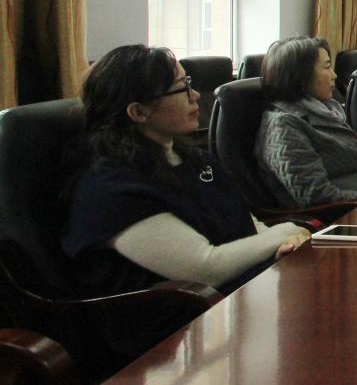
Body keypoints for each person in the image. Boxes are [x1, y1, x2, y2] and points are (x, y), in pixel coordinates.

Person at [63, 45, 309, 298]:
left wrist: (285, 242)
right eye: (182, 88)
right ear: (138, 112)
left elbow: (247, 224)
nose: (195, 95)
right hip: (181, 314)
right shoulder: (111, 189)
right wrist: (282, 233)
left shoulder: (197, 161)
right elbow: (206, 268)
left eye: (188, 83)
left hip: (246, 292)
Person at [255, 36, 357, 206]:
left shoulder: (324, 111)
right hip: (343, 215)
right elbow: (316, 195)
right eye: (327, 67)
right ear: (301, 76)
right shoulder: (283, 126)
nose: (334, 75)